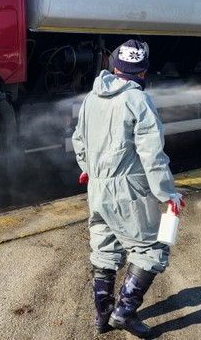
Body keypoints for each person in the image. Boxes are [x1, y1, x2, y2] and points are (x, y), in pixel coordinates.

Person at [72, 39, 184, 338]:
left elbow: (78, 140)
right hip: (128, 190)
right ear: (143, 72)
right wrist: (167, 194)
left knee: (104, 249)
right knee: (152, 248)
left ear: (115, 67)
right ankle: (123, 313)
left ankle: (101, 317)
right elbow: (152, 154)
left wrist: (88, 168)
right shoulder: (139, 100)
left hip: (97, 189)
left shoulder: (91, 97)